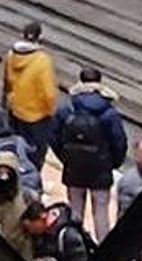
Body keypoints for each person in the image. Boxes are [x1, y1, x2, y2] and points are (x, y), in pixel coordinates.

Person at [51, 67, 127, 242]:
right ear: (99, 83)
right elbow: (119, 142)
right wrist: (112, 163)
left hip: (74, 168)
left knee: (75, 213)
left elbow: (53, 136)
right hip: (100, 170)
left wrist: (66, 158)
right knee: (101, 213)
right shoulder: (108, 112)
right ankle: (103, 253)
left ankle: (74, 246)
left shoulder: (67, 108)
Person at [1, 22, 59, 169]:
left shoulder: (11, 55)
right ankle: (31, 179)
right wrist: (50, 111)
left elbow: (7, 82)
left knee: (15, 147)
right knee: (36, 153)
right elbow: (48, 93)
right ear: (40, 37)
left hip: (15, 109)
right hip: (36, 115)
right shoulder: (42, 60)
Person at [20, 201, 93, 261]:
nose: (30, 231)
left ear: (41, 218)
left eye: (30, 227)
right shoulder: (41, 234)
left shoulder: (69, 235)